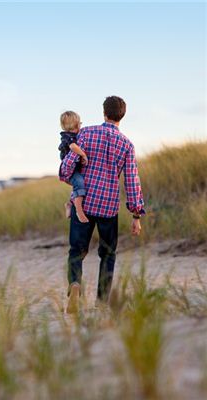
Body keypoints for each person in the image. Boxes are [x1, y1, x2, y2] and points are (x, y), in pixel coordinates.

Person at [60, 96, 145, 313]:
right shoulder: (127, 144)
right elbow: (132, 181)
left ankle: (75, 286)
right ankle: (102, 302)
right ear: (122, 116)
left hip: (85, 203)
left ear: (104, 112)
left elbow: (68, 165)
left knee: (76, 252)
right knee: (108, 254)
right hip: (108, 207)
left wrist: (67, 174)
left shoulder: (86, 133)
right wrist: (136, 215)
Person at [58, 111, 89, 223]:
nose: (80, 126)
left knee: (79, 185)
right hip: (69, 170)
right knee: (79, 183)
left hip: (75, 168)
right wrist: (83, 154)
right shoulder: (67, 136)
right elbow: (73, 147)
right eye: (79, 124)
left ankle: (70, 204)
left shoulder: (75, 135)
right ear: (74, 125)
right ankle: (79, 212)